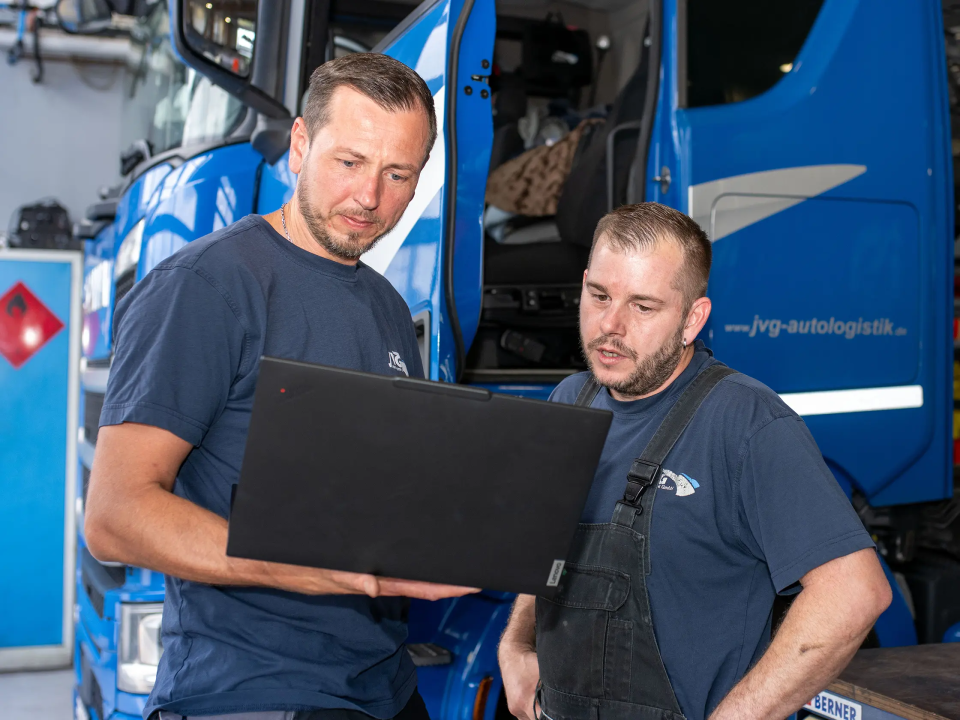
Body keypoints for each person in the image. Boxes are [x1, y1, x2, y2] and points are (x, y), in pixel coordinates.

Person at [84, 53, 475, 720]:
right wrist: (314, 571)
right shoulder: (208, 286)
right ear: (299, 145)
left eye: (397, 174)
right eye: (348, 162)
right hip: (253, 692)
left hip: (382, 685)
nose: (368, 198)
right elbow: (114, 517)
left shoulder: (383, 304)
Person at [497, 203, 892, 720]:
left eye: (643, 307)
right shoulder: (570, 401)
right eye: (599, 296)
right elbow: (547, 549)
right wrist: (516, 645)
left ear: (692, 319)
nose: (609, 326)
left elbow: (854, 592)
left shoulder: (747, 425)